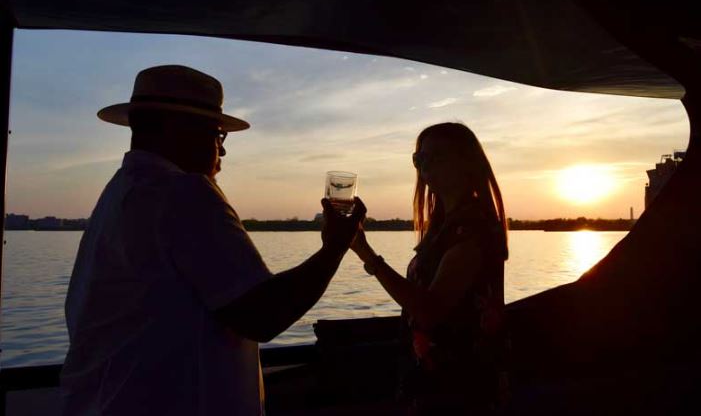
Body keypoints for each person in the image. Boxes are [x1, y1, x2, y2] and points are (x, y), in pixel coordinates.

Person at [60, 65, 365, 416]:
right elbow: (262, 315)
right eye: (218, 135)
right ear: (181, 129)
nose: (222, 152)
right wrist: (335, 247)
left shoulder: (120, 192)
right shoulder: (183, 193)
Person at [350, 122, 509, 414]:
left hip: (459, 385)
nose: (425, 166)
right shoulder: (445, 227)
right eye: (419, 158)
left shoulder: (473, 226)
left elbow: (430, 310)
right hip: (432, 379)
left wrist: (367, 254)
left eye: (436, 156)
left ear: (465, 163)